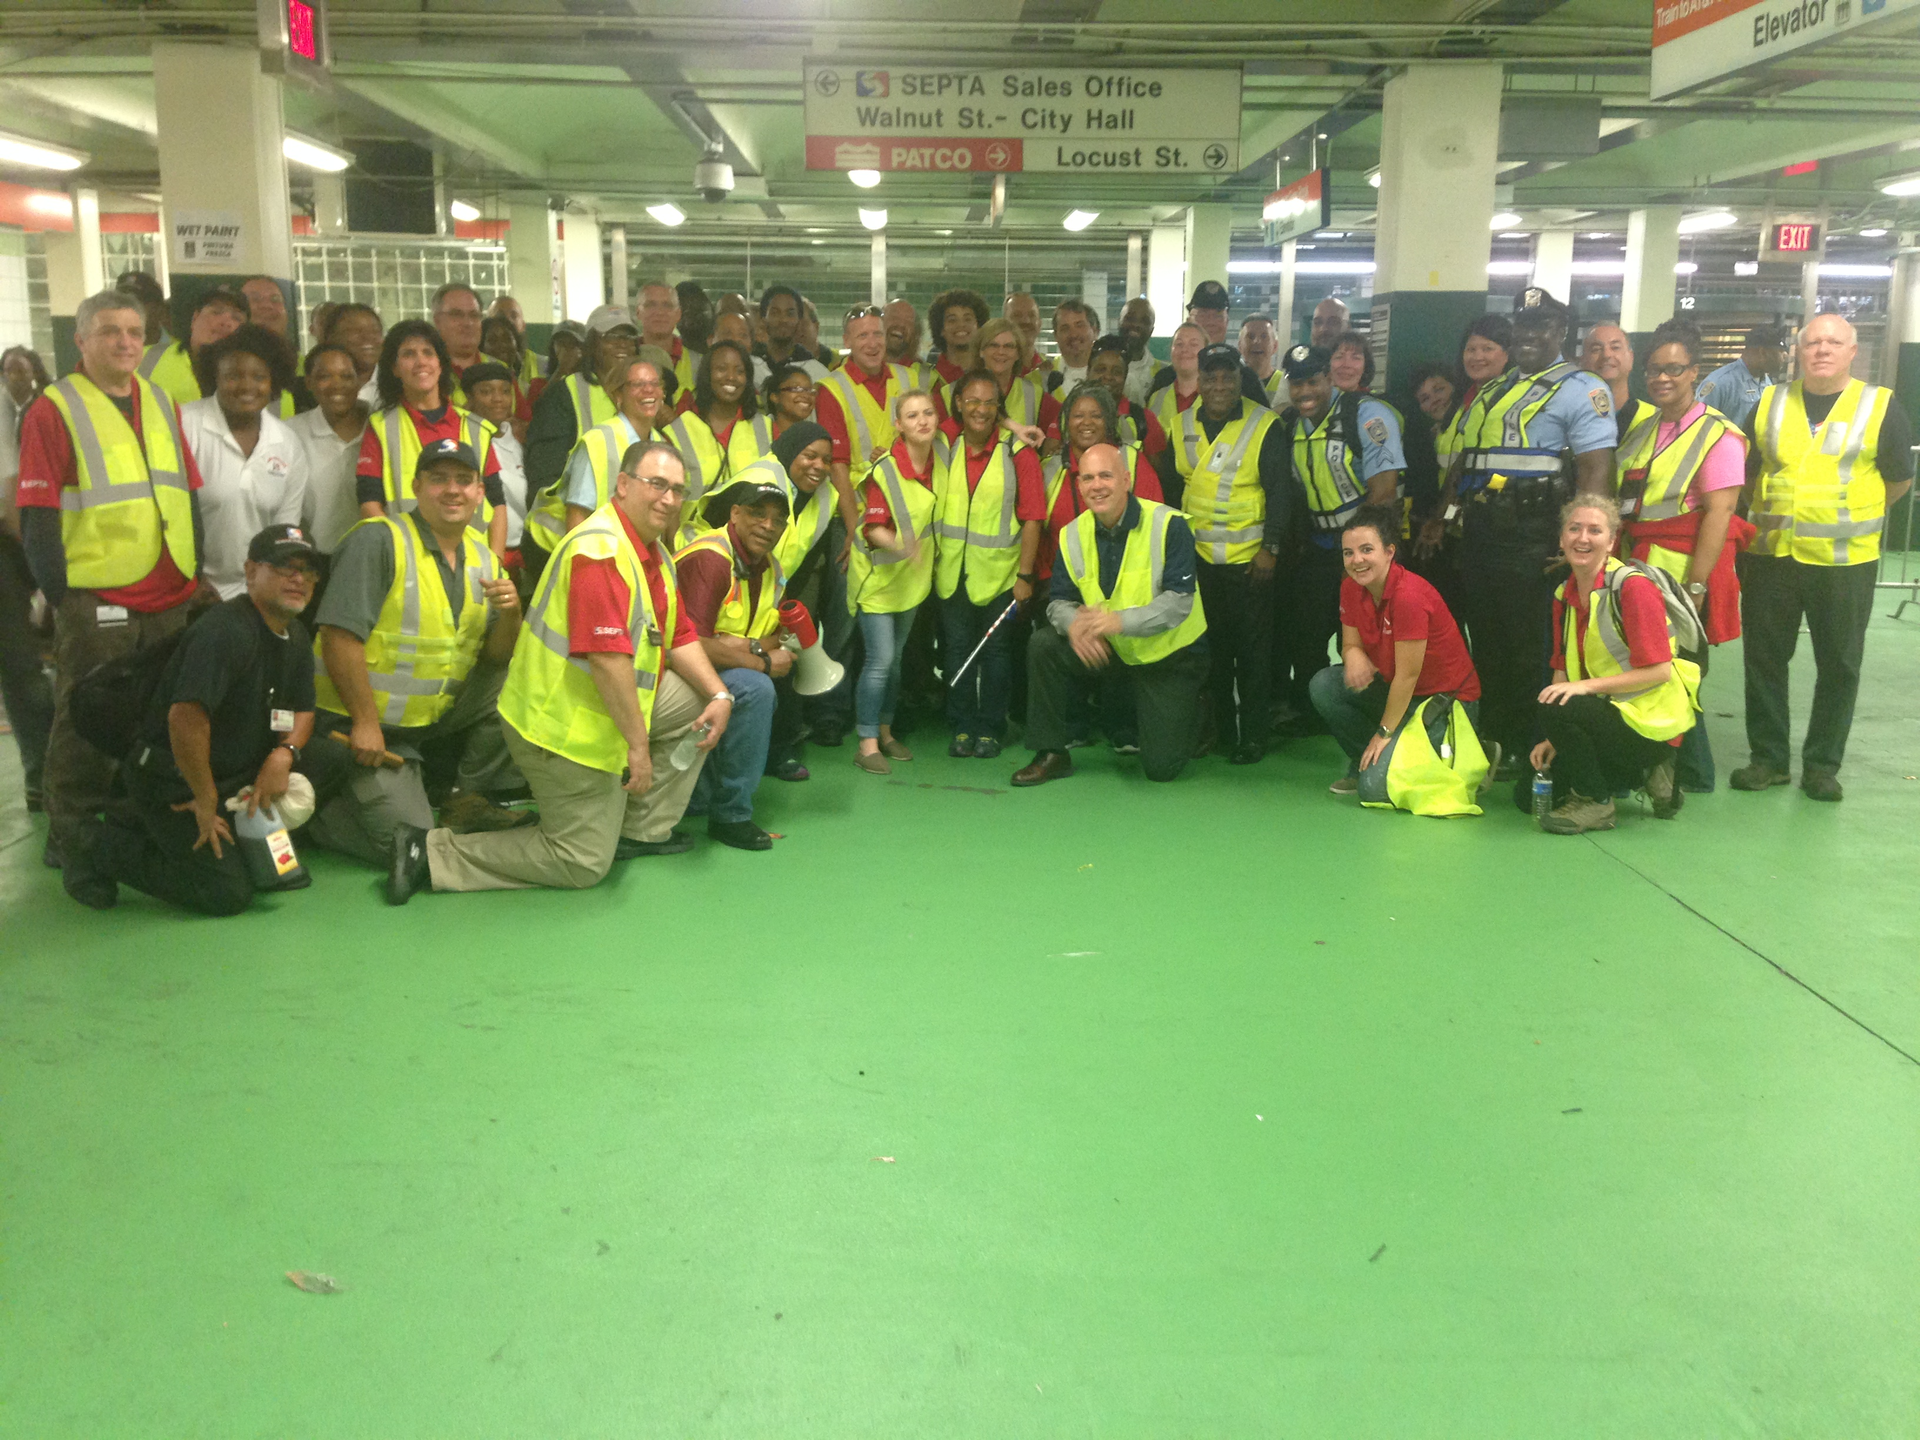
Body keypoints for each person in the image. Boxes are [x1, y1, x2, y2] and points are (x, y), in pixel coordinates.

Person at [385, 441, 736, 901]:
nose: (668, 499)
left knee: (698, 702)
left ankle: (636, 831)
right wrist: (638, 749)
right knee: (581, 864)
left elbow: (679, 634)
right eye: (656, 484)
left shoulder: (653, 554)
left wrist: (720, 696)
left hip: (599, 713)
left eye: (676, 490)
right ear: (624, 485)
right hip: (558, 729)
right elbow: (608, 662)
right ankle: (430, 853)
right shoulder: (600, 551)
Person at [17, 290, 208, 875]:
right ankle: (71, 834)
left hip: (169, 589)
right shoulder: (55, 408)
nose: (125, 342)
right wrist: (57, 593)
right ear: (80, 340)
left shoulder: (160, 401)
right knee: (85, 715)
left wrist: (194, 568)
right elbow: (38, 511)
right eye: (109, 332)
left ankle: (129, 823)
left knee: (150, 717)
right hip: (98, 593)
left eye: (134, 331)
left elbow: (187, 490)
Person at [59, 524, 327, 913]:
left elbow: (304, 708)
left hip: (234, 768)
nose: (298, 578)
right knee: (226, 894)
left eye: (307, 570)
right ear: (251, 572)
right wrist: (205, 799)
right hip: (175, 778)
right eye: (285, 567)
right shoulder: (226, 632)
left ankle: (154, 826)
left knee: (332, 758)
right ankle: (94, 845)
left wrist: (284, 753)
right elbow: (185, 719)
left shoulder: (296, 635)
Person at [308, 436, 529, 868]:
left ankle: (464, 797)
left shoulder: (485, 560)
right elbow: (339, 638)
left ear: (480, 494)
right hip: (358, 721)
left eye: (464, 481)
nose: (452, 490)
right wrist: (365, 723)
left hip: (427, 715)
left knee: (520, 681)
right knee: (407, 846)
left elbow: (497, 660)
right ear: (416, 486)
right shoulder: (379, 541)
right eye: (438, 479)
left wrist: (512, 615)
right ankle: (312, 813)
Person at [1423, 291, 1615, 780]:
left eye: (1542, 326)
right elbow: (1466, 463)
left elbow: (1595, 470)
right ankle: (1499, 741)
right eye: (1523, 326)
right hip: (1483, 533)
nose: (1529, 335)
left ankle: (1535, 744)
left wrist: (1581, 541)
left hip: (1537, 536)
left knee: (1532, 647)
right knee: (1488, 643)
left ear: (1561, 332)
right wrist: (1440, 516)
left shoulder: (1582, 389)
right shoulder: (1492, 390)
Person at [1734, 313, 1913, 801]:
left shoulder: (1880, 406)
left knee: (1839, 664)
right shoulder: (1770, 401)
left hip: (1845, 562)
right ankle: (1768, 759)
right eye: (1812, 342)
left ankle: (1822, 765)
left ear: (1853, 352)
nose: (1822, 350)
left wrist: (1849, 513)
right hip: (1773, 557)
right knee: (1764, 660)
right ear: (1798, 351)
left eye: (1834, 342)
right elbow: (1747, 472)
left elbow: (1898, 478)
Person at [1013, 441, 1207, 787]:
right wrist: (1074, 625)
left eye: (1106, 475)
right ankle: (1051, 753)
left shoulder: (1169, 524)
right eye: (1087, 478)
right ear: (1079, 486)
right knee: (1044, 643)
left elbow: (1179, 604)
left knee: (1161, 770)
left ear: (1127, 480)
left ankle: (1198, 712)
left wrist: (1119, 621)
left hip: (1168, 657)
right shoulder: (1072, 534)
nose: (1097, 485)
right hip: (1114, 650)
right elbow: (1058, 601)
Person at [1615, 317, 1752, 793]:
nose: (1662, 378)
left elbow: (1721, 513)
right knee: (1643, 664)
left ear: (1695, 371)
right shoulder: (1642, 430)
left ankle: (1689, 772)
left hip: (1680, 569)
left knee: (1680, 671)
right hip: (1636, 563)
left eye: (1674, 368)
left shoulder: (1719, 435)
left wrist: (1696, 586)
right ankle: (1657, 765)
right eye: (1654, 369)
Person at [1531, 499, 1699, 833]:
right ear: (1562, 539)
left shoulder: (1632, 587)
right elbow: (1561, 670)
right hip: (1610, 715)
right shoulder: (1563, 594)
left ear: (1611, 542)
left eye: (1595, 530)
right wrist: (1556, 738)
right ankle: (1641, 775)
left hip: (1653, 724)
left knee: (1556, 705)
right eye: (1574, 528)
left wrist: (1579, 692)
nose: (1583, 538)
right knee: (1529, 795)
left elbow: (1660, 671)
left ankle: (1600, 801)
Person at [1275, 343, 1405, 732]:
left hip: (1364, 551)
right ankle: (1315, 712)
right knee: (1307, 633)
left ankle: (1379, 716)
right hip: (1317, 546)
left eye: (1313, 382)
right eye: (1296, 385)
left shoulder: (1366, 415)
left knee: (1373, 636)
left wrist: (1362, 553)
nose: (1304, 393)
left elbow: (1384, 492)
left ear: (1330, 378)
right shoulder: (1289, 424)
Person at [1169, 343, 1289, 763]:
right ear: (1198, 381)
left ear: (1241, 381)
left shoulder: (1265, 425)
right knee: (1212, 654)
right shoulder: (1180, 424)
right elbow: (1171, 495)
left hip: (1249, 564)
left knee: (1253, 656)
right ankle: (1218, 732)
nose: (1219, 385)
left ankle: (1253, 736)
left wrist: (1270, 549)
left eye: (1228, 377)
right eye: (1211, 376)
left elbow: (1280, 493)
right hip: (1200, 564)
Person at [1309, 505, 1483, 794]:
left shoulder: (1408, 597)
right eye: (1348, 553)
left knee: (1374, 790)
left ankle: (1467, 751)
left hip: (1444, 703)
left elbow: (1407, 676)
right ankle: (1367, 760)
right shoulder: (1351, 588)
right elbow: (1350, 643)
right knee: (1325, 685)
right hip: (1400, 694)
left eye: (1367, 550)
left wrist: (1383, 733)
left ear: (1389, 552)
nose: (1357, 560)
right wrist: (1353, 656)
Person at [674, 477, 796, 848]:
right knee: (757, 689)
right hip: (671, 666)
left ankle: (700, 796)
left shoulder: (771, 568)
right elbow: (691, 642)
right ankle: (731, 815)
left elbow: (775, 635)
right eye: (758, 514)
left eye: (777, 520)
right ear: (735, 514)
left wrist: (748, 647)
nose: (768, 526)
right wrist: (759, 660)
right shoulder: (712, 558)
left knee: (756, 682)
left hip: (717, 665)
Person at [933, 370, 1047, 759]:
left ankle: (991, 728)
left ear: (999, 408)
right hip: (951, 573)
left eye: (989, 403)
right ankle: (962, 726)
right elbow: (939, 420)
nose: (979, 410)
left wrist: (1025, 576)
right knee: (957, 651)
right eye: (972, 401)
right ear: (959, 404)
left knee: (997, 654)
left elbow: (1033, 515)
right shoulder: (945, 442)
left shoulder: (1018, 452)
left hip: (1001, 575)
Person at [846, 390, 941, 775]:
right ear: (898, 425)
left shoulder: (940, 459)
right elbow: (872, 528)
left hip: (910, 583)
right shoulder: (884, 470)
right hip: (877, 582)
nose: (923, 421)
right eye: (912, 415)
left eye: (929, 413)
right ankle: (866, 742)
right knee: (880, 660)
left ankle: (885, 731)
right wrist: (903, 547)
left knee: (896, 661)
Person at [355, 320, 507, 556]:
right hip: (410, 560)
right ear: (394, 368)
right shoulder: (381, 426)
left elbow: (497, 504)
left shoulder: (476, 428)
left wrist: (494, 562)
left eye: (428, 352)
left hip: (474, 563)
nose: (421, 362)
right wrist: (403, 551)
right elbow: (369, 502)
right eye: (408, 354)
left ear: (440, 363)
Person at [182, 324, 308, 599]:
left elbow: (284, 531)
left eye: (259, 377)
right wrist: (191, 583)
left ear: (273, 382)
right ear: (214, 377)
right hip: (188, 592)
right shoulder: (184, 426)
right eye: (233, 376)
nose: (247, 386)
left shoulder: (287, 443)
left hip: (256, 594)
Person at [526, 356, 671, 559]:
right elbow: (577, 518)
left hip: (629, 556)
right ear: (618, 395)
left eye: (655, 384)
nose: (648, 390)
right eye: (637, 384)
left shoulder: (661, 445)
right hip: (584, 556)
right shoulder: (598, 441)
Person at [0, 344, 54, 811]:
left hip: (30, 549)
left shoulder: (42, 408)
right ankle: (41, 775)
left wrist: (42, 571)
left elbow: (11, 497)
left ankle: (50, 773)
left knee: (30, 671)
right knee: (21, 671)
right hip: (17, 552)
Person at [525, 305, 634, 501]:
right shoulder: (565, 393)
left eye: (627, 337)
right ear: (591, 345)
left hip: (623, 522)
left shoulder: (639, 395)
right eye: (611, 336)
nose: (622, 344)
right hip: (573, 522)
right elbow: (544, 476)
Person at [664, 339, 769, 533]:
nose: (731, 377)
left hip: (752, 548)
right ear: (707, 375)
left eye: (740, 371)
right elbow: (668, 502)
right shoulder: (679, 430)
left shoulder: (766, 427)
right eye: (722, 369)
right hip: (694, 547)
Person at [289, 342, 369, 557]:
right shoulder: (290, 433)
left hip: (378, 558)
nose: (337, 385)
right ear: (308, 382)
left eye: (346, 376)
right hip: (315, 562)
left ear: (360, 381)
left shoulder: (382, 427)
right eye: (325, 376)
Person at [1154, 284, 1270, 408]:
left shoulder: (1246, 379)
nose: (1210, 322)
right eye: (1202, 315)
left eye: (1218, 316)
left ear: (1227, 322)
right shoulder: (1164, 379)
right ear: (1189, 321)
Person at [461, 361, 529, 567]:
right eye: (486, 391)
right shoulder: (463, 441)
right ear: (470, 399)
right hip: (481, 553)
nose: (498, 399)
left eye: (505, 391)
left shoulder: (522, 441)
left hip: (525, 552)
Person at [137, 287, 247, 407]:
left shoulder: (251, 376)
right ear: (195, 319)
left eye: (236, 318)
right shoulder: (144, 358)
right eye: (216, 312)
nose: (225, 322)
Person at [953, 318, 1046, 430]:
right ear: (981, 351)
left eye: (1008, 346)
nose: (1001, 352)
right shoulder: (950, 392)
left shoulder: (1035, 394)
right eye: (993, 345)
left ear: (1018, 354)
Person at [1697, 323, 1788, 429]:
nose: (1785, 356)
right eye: (1780, 351)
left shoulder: (1766, 382)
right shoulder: (1720, 383)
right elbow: (1698, 426)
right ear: (1762, 353)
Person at [1581, 322, 1647, 440]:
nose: (1606, 354)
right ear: (1582, 361)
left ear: (1631, 358)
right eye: (1596, 349)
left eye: (1615, 347)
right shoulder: (1568, 417)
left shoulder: (1653, 418)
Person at [1145, 322, 1206, 441]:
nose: (1185, 349)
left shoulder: (1217, 397)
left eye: (1193, 344)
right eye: (1179, 344)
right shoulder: (1156, 398)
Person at [926, 288, 989, 404]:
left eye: (967, 319)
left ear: (979, 326)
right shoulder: (927, 379)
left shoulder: (991, 374)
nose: (961, 325)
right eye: (952, 320)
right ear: (941, 329)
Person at [429, 283, 487, 406]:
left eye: (474, 315)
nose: (468, 323)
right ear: (437, 321)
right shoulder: (423, 371)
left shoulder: (502, 370)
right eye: (456, 315)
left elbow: (522, 422)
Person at [479, 314, 534, 437]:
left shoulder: (521, 383)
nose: (502, 345)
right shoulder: (476, 382)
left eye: (507, 339)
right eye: (492, 340)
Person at [638, 282, 697, 395]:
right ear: (638, 313)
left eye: (667, 305)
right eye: (650, 305)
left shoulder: (699, 363)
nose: (660, 312)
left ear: (678, 314)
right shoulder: (626, 359)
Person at [321, 301, 383, 406]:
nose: (367, 337)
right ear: (331, 338)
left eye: (375, 331)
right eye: (356, 331)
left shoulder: (398, 384)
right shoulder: (317, 386)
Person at [756, 285, 826, 379]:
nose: (783, 320)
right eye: (775, 313)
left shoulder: (816, 372)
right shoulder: (748, 365)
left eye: (790, 314)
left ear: (799, 322)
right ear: (763, 320)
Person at [1046, 299, 1099, 394]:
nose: (1073, 335)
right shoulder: (1042, 377)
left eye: (1080, 325)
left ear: (1095, 331)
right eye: (1065, 328)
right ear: (1056, 336)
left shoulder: (1111, 377)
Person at [1116, 297, 1157, 405]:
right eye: (1129, 318)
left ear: (1151, 330)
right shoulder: (1100, 367)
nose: (1136, 325)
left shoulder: (1161, 375)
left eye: (1145, 321)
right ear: (1119, 322)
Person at [762, 362, 817, 443]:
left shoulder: (815, 436)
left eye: (809, 390)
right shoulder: (760, 431)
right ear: (775, 397)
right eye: (796, 389)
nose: (806, 395)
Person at [1241, 314, 1287, 408]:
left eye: (1264, 336)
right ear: (1240, 346)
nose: (1257, 341)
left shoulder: (1286, 383)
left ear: (1275, 346)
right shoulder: (1232, 383)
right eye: (1250, 336)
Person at [115, 271, 171, 348]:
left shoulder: (181, 351)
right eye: (121, 302)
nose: (127, 309)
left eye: (137, 302)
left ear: (158, 308)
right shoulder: (104, 349)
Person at [883, 298, 930, 386]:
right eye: (894, 317)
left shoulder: (928, 377)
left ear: (915, 333)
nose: (901, 324)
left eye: (908, 321)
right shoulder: (857, 366)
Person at [1004, 292, 1047, 375]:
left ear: (1040, 324)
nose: (1026, 321)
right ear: (1003, 324)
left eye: (1032, 315)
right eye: (1017, 315)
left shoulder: (1050, 371)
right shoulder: (992, 373)